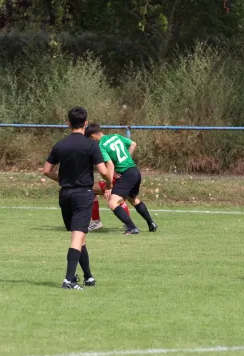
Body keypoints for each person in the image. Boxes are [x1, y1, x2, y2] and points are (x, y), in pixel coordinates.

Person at [42, 107, 112, 290]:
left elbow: (46, 170)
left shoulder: (60, 145)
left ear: (68, 123)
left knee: (80, 237)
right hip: (83, 194)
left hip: (65, 194)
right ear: (86, 123)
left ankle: (88, 276)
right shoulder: (91, 145)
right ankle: (69, 279)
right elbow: (103, 171)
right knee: (77, 236)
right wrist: (110, 183)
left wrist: (63, 180)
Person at [85, 123, 158, 235]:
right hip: (135, 171)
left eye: (90, 139)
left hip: (126, 174)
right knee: (133, 199)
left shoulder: (102, 146)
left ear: (93, 137)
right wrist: (126, 159)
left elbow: (109, 164)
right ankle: (151, 224)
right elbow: (133, 144)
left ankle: (132, 227)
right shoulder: (115, 136)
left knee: (112, 203)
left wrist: (109, 185)